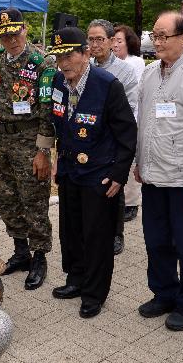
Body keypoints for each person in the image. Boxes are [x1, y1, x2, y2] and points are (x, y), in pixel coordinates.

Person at [46, 27, 137, 318]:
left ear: (85, 53)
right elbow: (59, 123)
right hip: (71, 170)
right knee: (71, 231)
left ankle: (95, 293)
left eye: (70, 56)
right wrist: (57, 157)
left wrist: (119, 174)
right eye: (59, 57)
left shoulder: (107, 84)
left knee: (97, 236)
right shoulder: (60, 83)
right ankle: (75, 279)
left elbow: (127, 132)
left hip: (100, 173)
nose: (64, 63)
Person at [134, 11, 183, 331]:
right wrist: (138, 161)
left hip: (182, 179)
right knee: (156, 241)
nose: (158, 42)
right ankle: (164, 293)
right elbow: (144, 123)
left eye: (163, 36)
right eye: (155, 36)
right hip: (153, 175)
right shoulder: (149, 73)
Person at [0, 8, 56, 290]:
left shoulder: (42, 62)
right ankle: (21, 251)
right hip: (3, 140)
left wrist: (43, 151)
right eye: (4, 35)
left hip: (30, 142)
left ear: (25, 29)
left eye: (15, 32)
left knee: (34, 200)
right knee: (9, 199)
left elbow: (48, 111)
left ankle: (39, 257)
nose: (11, 39)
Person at [87, 19, 138, 255]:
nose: (95, 44)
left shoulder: (125, 71)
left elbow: (129, 108)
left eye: (100, 39)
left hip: (113, 138)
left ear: (110, 42)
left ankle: (117, 233)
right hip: (88, 138)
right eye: (91, 39)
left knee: (114, 188)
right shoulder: (84, 66)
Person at [112, 23, 146, 223]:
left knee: (130, 157)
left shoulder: (135, 63)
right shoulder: (110, 63)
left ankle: (132, 203)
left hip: (131, 118)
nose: (115, 45)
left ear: (129, 43)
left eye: (119, 41)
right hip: (116, 119)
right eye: (113, 40)